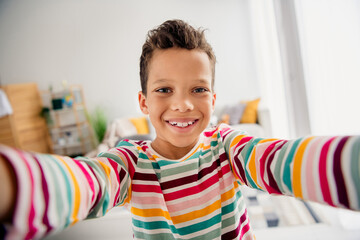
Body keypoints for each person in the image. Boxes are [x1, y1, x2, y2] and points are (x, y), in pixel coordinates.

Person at [0, 19, 359, 240]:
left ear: (214, 100)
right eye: (164, 90)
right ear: (143, 103)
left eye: (198, 90)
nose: (183, 105)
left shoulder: (228, 148)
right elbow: (85, 182)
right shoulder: (129, 163)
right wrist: (13, 184)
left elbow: (281, 161)